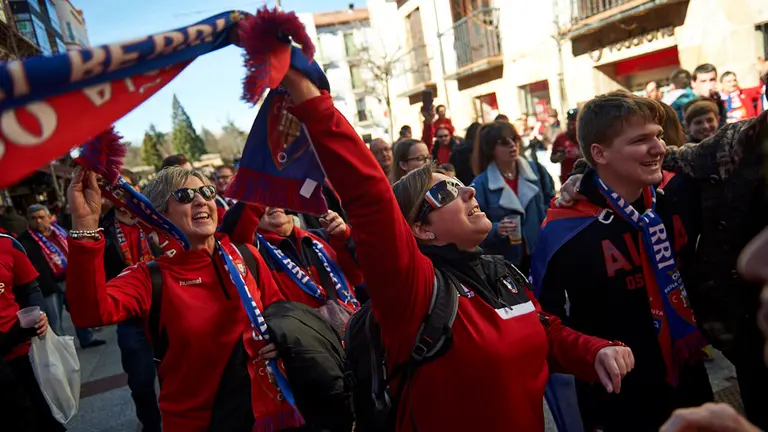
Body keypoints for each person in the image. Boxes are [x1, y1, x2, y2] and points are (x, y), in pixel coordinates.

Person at [280, 68, 634, 432]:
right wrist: (310, 99)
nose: (469, 192)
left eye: (462, 184)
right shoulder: (413, 290)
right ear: (420, 228)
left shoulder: (500, 273)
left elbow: (544, 331)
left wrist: (595, 351)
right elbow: (370, 198)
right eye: (447, 192)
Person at [65, 166, 301, 431]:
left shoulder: (245, 255)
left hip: (274, 413)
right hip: (201, 422)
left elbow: (281, 313)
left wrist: (283, 340)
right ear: (160, 215)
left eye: (206, 192)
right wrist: (84, 227)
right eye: (185, 195)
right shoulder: (150, 277)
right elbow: (89, 313)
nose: (200, 200)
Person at [535, 91, 713, 431]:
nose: (659, 148)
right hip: (618, 396)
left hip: (688, 373)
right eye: (640, 140)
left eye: (658, 136)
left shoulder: (679, 194)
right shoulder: (564, 230)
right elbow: (547, 325)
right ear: (599, 153)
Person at [99, 169, 161, 432]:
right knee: (141, 378)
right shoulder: (102, 226)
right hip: (130, 314)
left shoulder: (157, 217)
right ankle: (151, 425)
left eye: (123, 186)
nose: (119, 193)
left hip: (166, 304)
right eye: (112, 189)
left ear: (136, 187)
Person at [471, 121, 555, 274]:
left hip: (543, 254)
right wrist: (496, 229)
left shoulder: (537, 171)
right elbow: (472, 225)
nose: (512, 144)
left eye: (514, 138)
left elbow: (552, 203)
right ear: (491, 149)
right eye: (503, 142)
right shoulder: (481, 184)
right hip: (506, 265)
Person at [0, 233, 63, 431]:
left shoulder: (7, 244)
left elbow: (30, 289)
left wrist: (39, 314)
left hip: (20, 350)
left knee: (43, 418)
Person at [18, 204, 105, 348]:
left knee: (79, 311)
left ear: (49, 217)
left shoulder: (60, 231)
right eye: (33, 218)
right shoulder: (25, 240)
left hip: (70, 279)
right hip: (48, 285)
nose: (38, 221)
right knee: (54, 319)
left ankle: (87, 339)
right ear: (28, 221)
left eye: (41, 217)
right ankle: (61, 348)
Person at [256, 207, 363, 318]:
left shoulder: (323, 237)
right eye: (263, 199)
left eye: (279, 195)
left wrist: (345, 237)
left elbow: (357, 278)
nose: (273, 203)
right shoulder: (254, 251)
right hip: (305, 332)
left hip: (352, 322)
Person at [551, 109, 581, 184]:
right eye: (570, 121)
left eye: (574, 122)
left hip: (584, 176)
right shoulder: (560, 138)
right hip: (567, 178)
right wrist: (559, 157)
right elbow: (552, 158)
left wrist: (579, 154)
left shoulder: (586, 136)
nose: (572, 125)